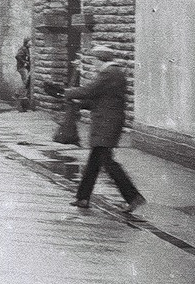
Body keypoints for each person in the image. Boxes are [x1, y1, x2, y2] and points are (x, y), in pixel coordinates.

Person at [63, 44, 146, 212]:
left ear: (101, 59)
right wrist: (82, 104)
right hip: (106, 123)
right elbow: (100, 99)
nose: (93, 64)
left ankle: (133, 197)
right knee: (94, 162)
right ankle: (83, 198)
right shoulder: (113, 74)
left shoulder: (110, 74)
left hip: (107, 124)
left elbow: (91, 91)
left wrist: (69, 93)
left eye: (94, 60)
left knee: (107, 162)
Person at [15, 38, 32, 112]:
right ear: (26, 42)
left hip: (25, 68)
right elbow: (17, 56)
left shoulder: (27, 49)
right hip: (22, 68)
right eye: (29, 42)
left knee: (26, 82)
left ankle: (21, 95)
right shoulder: (23, 48)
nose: (31, 43)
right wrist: (24, 62)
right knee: (25, 81)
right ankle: (18, 94)